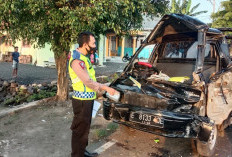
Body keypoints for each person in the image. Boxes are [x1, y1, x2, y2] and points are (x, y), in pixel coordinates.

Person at [68, 31, 118, 157]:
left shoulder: (84, 58)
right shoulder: (76, 60)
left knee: (85, 129)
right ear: (85, 44)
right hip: (81, 102)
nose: (95, 45)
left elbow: (91, 81)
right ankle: (77, 155)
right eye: (93, 43)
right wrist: (105, 88)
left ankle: (82, 152)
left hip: (87, 100)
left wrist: (99, 93)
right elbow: (87, 81)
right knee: (79, 130)